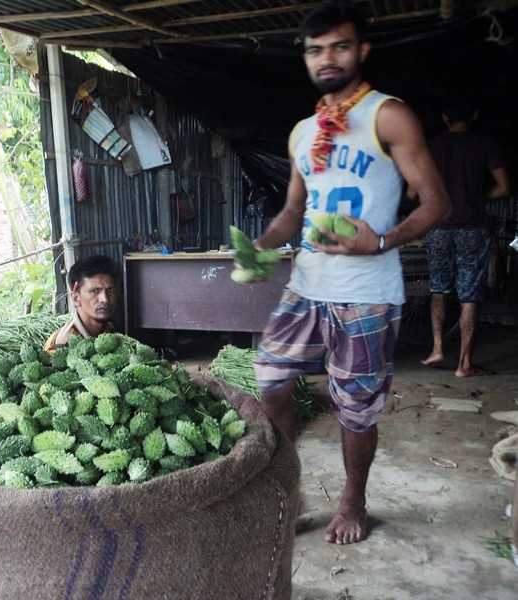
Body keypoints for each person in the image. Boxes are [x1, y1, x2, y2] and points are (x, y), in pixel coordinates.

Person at [245, 2, 450, 546]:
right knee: (270, 378)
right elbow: (293, 211)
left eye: (339, 46)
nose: (327, 58)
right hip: (306, 284)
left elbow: (436, 202)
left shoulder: (389, 115)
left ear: (361, 50)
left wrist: (379, 240)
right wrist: (260, 248)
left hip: (367, 294)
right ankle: (291, 491)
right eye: (315, 50)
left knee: (354, 410)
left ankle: (353, 501)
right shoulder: (302, 132)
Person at [417, 101, 511, 377]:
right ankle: (464, 365)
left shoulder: (432, 147)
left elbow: (414, 189)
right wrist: (477, 198)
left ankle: (436, 349)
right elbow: (504, 187)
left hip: (439, 227)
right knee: (469, 297)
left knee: (439, 290)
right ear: (475, 116)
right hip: (473, 227)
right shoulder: (485, 144)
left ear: (445, 117)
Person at [44, 255, 119, 352]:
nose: (105, 299)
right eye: (95, 291)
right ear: (76, 299)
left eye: (110, 290)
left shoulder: (108, 328)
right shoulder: (62, 347)